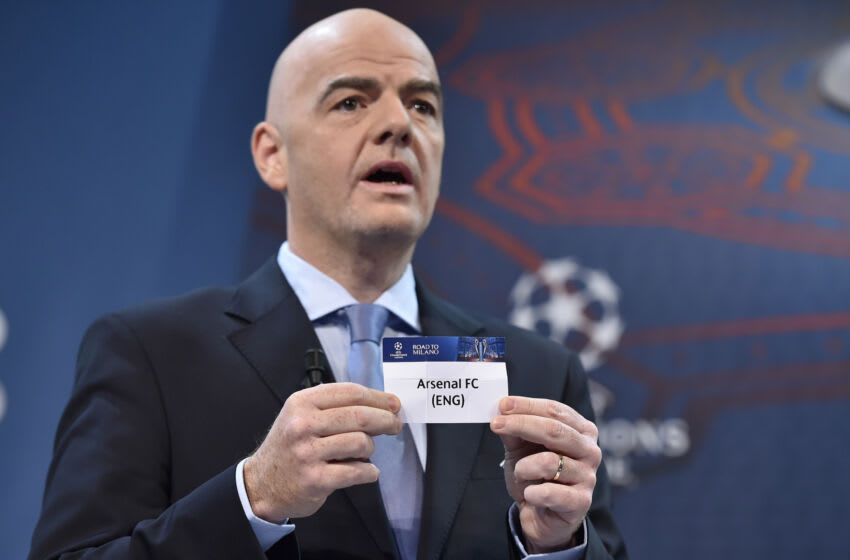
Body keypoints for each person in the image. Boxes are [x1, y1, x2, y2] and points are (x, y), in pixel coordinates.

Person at [29, 8, 626, 560]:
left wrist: (554, 546)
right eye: (350, 102)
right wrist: (251, 502)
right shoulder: (150, 353)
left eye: (423, 106)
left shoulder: (537, 373)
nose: (398, 124)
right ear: (272, 155)